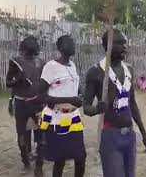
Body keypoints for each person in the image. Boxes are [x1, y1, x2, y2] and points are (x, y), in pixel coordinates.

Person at [83, 29, 146, 177]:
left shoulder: (129, 70)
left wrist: (144, 135)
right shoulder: (95, 72)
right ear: (107, 46)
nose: (125, 47)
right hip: (110, 136)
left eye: (125, 43)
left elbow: (132, 104)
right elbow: (86, 108)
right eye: (120, 43)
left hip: (129, 136)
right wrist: (97, 109)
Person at [35, 35, 86, 177]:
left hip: (73, 117)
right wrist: (70, 99)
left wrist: (80, 96)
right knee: (60, 159)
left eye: (73, 42)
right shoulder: (51, 67)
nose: (73, 45)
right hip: (57, 118)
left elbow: (74, 88)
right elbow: (41, 96)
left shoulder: (73, 65)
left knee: (81, 157)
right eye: (70, 43)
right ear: (61, 47)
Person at [5, 36, 45, 175]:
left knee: (41, 134)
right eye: (27, 52)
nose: (28, 54)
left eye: (30, 52)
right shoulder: (15, 62)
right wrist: (17, 81)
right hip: (21, 103)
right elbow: (8, 83)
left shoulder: (41, 63)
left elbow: (44, 83)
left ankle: (39, 163)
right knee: (22, 134)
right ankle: (26, 160)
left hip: (37, 104)